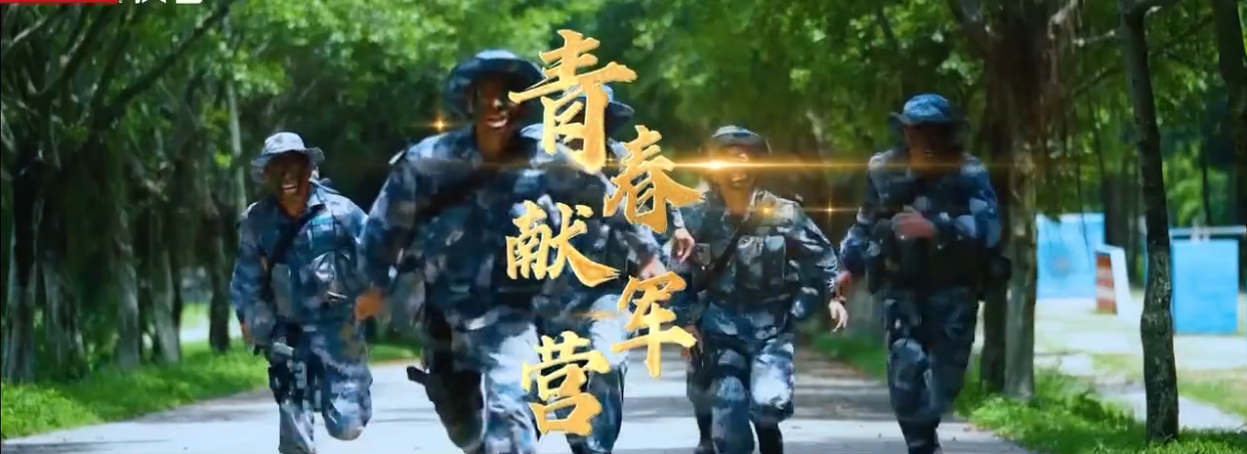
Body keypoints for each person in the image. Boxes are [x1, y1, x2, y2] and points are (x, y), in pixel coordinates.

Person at [356, 50, 667, 454]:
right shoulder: (428, 162)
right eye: (485, 95)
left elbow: (604, 196)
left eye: (506, 95)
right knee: (466, 432)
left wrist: (647, 254)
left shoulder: (545, 158)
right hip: (445, 317)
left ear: (521, 104)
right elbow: (384, 225)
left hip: (510, 314)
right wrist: (373, 285)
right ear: (469, 102)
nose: (496, 104)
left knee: (513, 403)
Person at [524, 84, 696, 454]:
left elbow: (655, 191)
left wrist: (678, 227)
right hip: (544, 294)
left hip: (607, 289)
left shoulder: (622, 160)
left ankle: (596, 448)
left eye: (593, 116)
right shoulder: (543, 158)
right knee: (537, 386)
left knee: (607, 361)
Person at [837, 93, 1001, 454]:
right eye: (917, 131)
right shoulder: (883, 170)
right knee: (905, 375)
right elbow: (866, 222)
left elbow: (990, 228)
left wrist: (937, 227)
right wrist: (847, 265)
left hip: (953, 291)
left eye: (934, 132)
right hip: (901, 289)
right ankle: (922, 446)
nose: (925, 141)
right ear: (905, 133)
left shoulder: (968, 171)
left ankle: (925, 433)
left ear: (948, 134)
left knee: (944, 386)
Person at [671, 126, 846, 454]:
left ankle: (769, 436)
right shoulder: (695, 216)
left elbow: (822, 257)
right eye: (728, 159)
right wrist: (683, 322)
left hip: (772, 329)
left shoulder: (783, 213)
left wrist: (834, 298)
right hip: (720, 332)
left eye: (745, 158)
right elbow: (676, 272)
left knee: (769, 405)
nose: (737, 167)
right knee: (730, 422)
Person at [230, 132, 373, 454]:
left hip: (338, 328)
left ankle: (342, 391)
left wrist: (378, 293)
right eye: (278, 167)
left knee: (347, 425)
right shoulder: (257, 221)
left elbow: (379, 252)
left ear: (308, 169)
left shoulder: (341, 212)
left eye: (294, 165)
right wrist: (247, 318)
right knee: (291, 399)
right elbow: (246, 277)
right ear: (267, 174)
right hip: (287, 329)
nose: (287, 175)